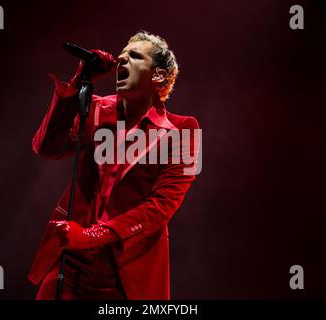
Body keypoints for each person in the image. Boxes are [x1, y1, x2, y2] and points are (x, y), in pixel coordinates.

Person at [28, 31, 200, 300]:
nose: (122, 59)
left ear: (158, 76)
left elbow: (161, 206)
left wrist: (91, 236)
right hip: (70, 262)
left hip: (126, 271)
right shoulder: (96, 109)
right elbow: (46, 148)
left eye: (133, 56)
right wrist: (78, 83)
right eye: (121, 56)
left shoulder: (185, 130)